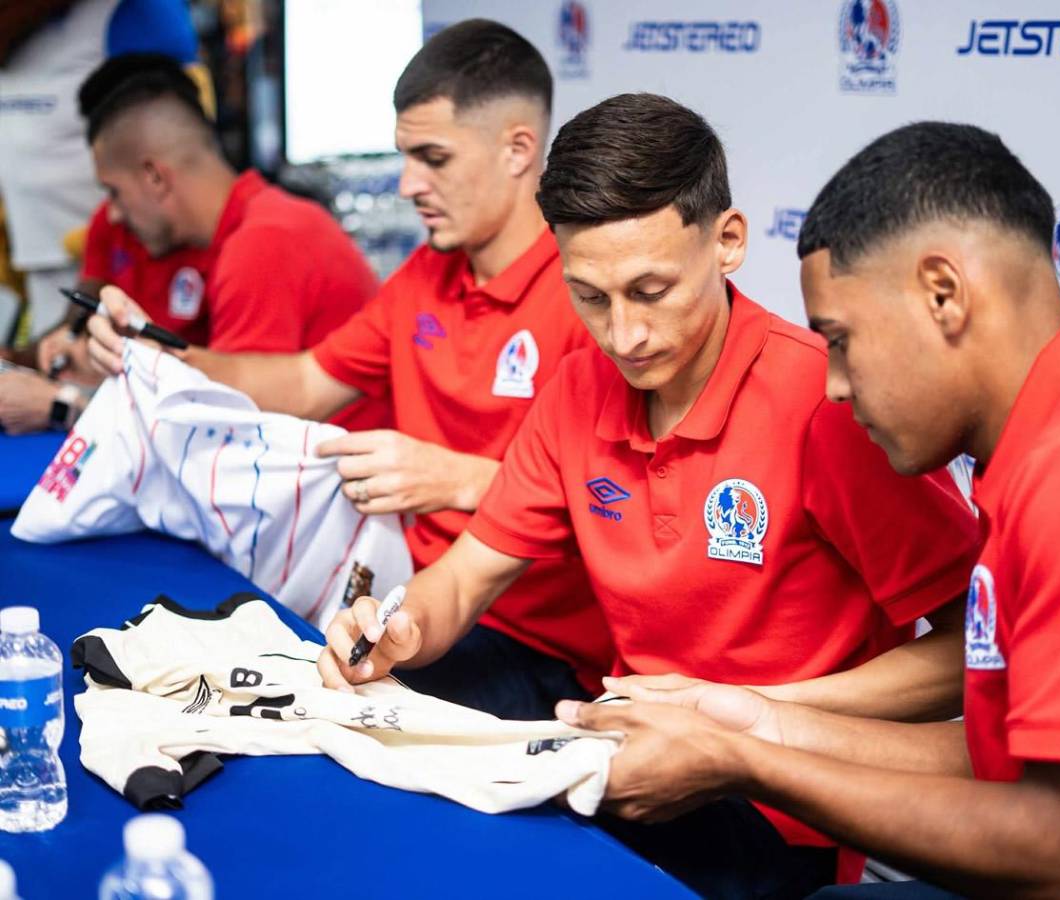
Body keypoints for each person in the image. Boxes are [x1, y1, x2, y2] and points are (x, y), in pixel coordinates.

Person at [317, 94, 980, 899]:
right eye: (590, 297)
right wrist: (399, 629)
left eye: (651, 291)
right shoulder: (575, 391)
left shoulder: (826, 402)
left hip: (779, 804)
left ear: (728, 241)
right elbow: (462, 580)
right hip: (620, 760)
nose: (622, 334)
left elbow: (967, 652)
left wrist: (745, 712)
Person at [556, 122, 1060, 900]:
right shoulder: (1058, 446)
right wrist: (741, 721)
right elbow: (1000, 758)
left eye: (841, 339)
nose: (831, 383)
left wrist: (745, 761)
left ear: (944, 295)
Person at [89, 20, 615, 719]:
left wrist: (457, 478)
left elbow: (625, 507)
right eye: (404, 157)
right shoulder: (428, 273)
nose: (407, 185)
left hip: (536, 645)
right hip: (411, 600)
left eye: (433, 158)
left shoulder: (591, 297)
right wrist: (155, 351)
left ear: (519, 149)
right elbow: (305, 383)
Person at [14, 52, 387, 434]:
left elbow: (228, 426)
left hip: (332, 480)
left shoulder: (263, 244)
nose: (111, 214)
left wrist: (65, 406)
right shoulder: (262, 225)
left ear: (156, 178)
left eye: (114, 192)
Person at [0, 0, 199, 339]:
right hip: (34, 262)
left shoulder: (134, 12)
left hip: (122, 264)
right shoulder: (17, 35)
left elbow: (175, 133)